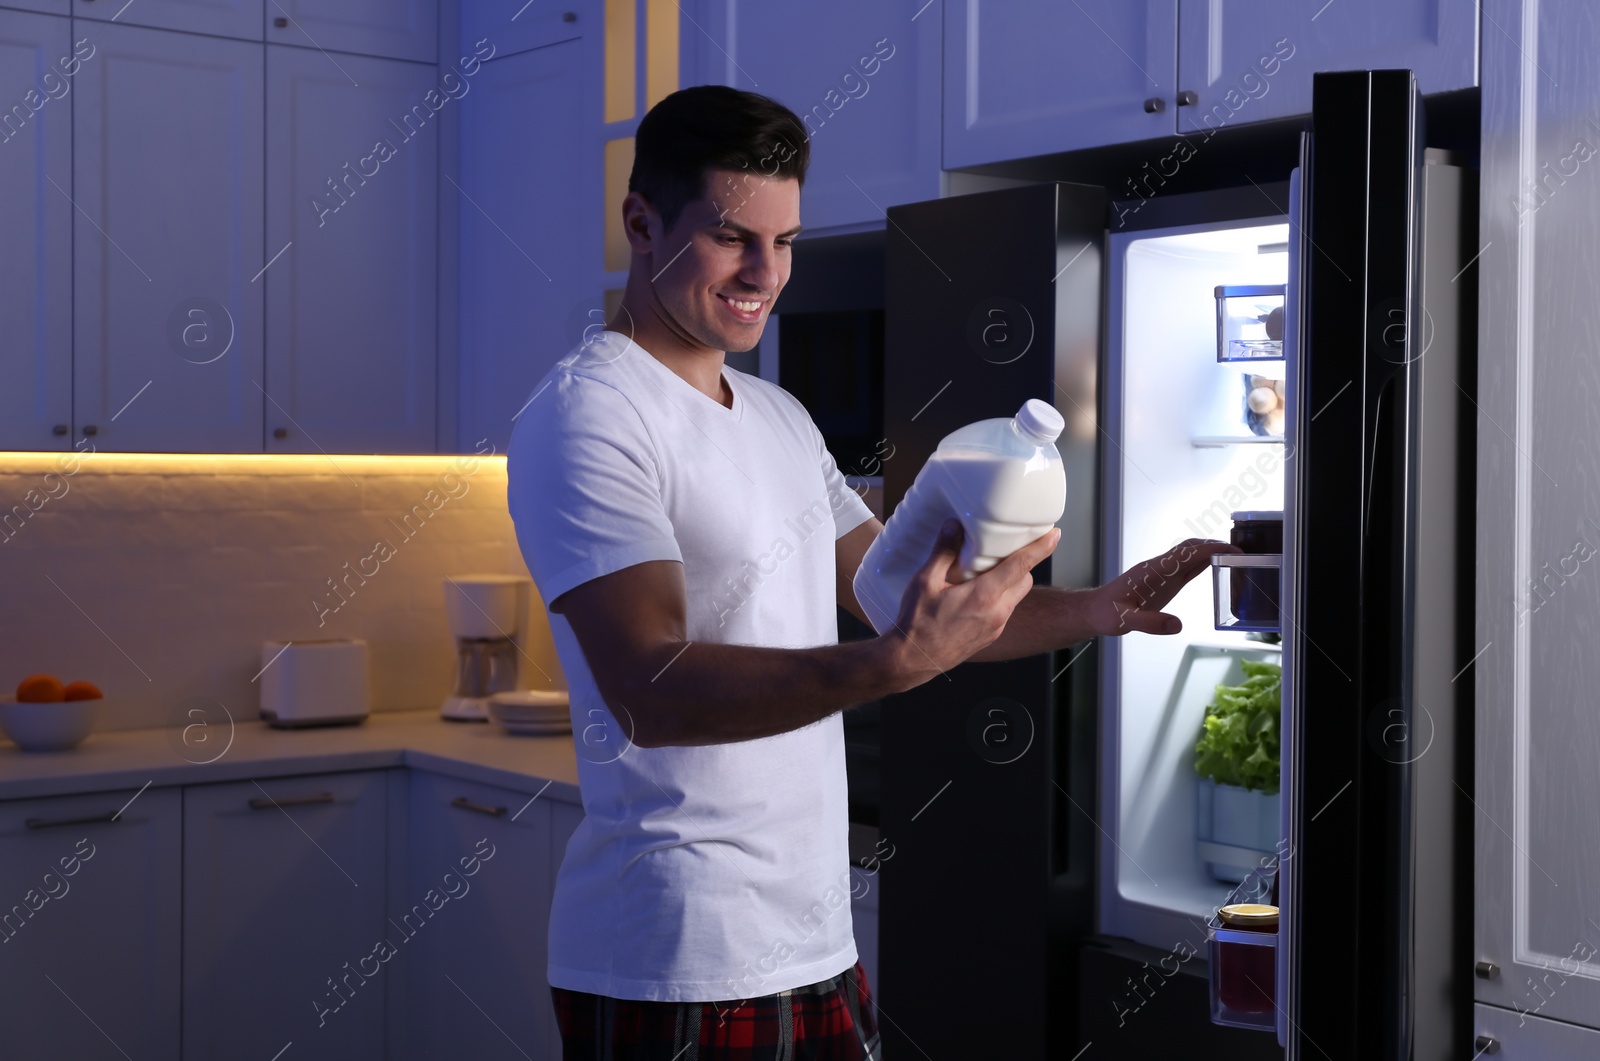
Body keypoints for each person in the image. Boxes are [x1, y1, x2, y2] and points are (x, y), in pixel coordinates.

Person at [506, 84, 1231, 1061]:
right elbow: (648, 687)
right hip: (678, 949)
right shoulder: (590, 413)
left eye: (786, 240)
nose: (766, 271)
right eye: (731, 236)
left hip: (814, 938)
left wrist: (1092, 607)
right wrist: (889, 667)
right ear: (641, 223)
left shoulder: (777, 415)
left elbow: (900, 600)